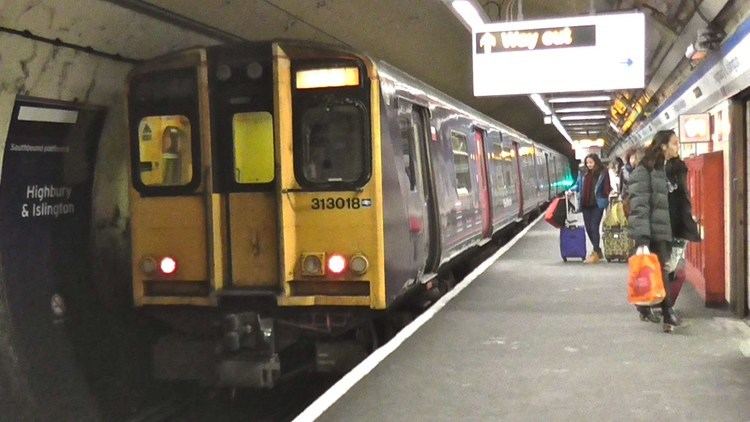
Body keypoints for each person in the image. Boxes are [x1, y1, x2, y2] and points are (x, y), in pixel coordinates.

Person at [627, 130, 680, 332]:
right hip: (651, 232)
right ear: (663, 146)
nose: (677, 147)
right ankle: (668, 313)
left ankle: (645, 307)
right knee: (660, 271)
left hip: (662, 229)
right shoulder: (644, 171)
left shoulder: (664, 169)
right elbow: (639, 206)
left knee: (657, 271)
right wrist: (642, 239)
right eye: (674, 143)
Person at [665, 142, 701, 298]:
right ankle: (666, 304)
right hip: (676, 225)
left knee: (669, 265)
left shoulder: (667, 174)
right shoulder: (676, 175)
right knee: (671, 266)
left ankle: (664, 303)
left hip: (670, 226)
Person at [568, 153, 611, 264]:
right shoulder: (582, 172)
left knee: (594, 226)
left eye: (591, 162)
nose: (589, 165)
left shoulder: (603, 172)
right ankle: (598, 250)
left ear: (596, 162)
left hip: (598, 204)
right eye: (587, 163)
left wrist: (610, 194)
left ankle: (595, 253)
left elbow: (607, 186)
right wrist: (571, 190)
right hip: (585, 204)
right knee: (588, 228)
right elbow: (578, 185)